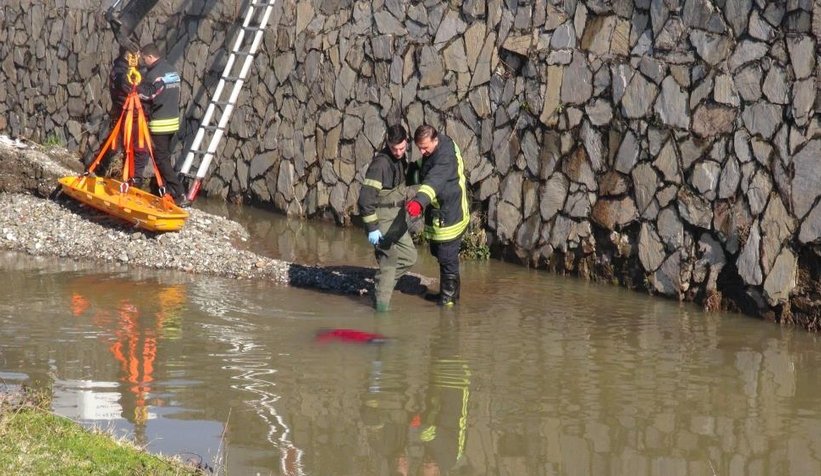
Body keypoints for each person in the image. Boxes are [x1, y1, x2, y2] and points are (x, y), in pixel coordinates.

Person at [405, 125, 470, 307]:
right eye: (419, 148)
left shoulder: (444, 159)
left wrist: (419, 201)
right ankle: (447, 294)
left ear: (435, 140)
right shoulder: (438, 147)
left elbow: (434, 180)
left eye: (425, 147)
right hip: (445, 210)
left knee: (448, 258)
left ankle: (448, 302)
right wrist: (404, 171)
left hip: (451, 214)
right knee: (442, 255)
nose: (422, 151)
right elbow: (425, 169)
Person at [358, 125, 419, 312]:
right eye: (394, 149)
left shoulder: (401, 160)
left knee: (410, 257)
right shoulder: (380, 165)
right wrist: (372, 228)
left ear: (406, 143)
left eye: (401, 148)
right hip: (382, 221)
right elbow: (365, 200)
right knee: (389, 260)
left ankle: (381, 286)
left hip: (397, 220)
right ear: (387, 144)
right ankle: (381, 312)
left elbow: (409, 179)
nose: (398, 152)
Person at [137, 43, 187, 205]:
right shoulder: (171, 70)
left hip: (161, 123)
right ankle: (168, 189)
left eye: (144, 59)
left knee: (161, 159)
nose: (143, 62)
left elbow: (150, 96)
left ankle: (178, 192)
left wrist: (136, 88)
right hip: (173, 120)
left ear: (150, 57)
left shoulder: (154, 75)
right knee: (165, 156)